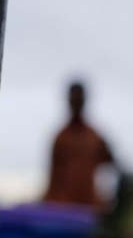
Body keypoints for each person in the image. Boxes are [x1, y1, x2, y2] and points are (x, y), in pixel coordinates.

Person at [44, 81, 114, 209]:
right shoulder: (60, 138)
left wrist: (106, 198)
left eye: (79, 99)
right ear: (68, 101)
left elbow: (111, 165)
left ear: (84, 101)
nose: (76, 103)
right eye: (73, 99)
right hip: (63, 208)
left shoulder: (95, 137)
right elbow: (53, 177)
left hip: (89, 207)